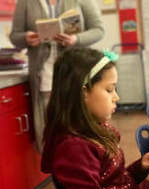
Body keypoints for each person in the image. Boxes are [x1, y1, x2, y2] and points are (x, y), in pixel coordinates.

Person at [41, 47, 149, 189]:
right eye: (109, 89)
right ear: (83, 92)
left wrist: (139, 168)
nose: (116, 97)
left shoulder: (96, 130)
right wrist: (146, 186)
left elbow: (110, 183)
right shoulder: (75, 148)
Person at [10, 0, 104, 152]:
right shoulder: (26, 2)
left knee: (81, 123)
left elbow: (99, 30)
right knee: (52, 127)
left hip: (76, 72)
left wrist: (76, 39)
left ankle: (87, 162)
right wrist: (26, 38)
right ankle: (58, 167)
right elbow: (15, 36)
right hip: (44, 75)